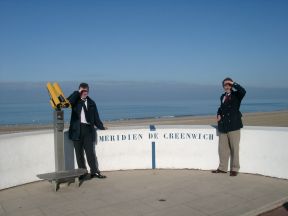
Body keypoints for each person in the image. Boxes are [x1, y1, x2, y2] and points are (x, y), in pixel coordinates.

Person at [68, 83, 107, 179]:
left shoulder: (91, 102)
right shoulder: (75, 101)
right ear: (79, 91)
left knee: (90, 153)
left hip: (88, 130)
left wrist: (101, 127)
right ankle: (82, 173)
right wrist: (77, 93)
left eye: (86, 91)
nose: (85, 93)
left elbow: (96, 118)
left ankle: (94, 172)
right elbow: (68, 101)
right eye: (83, 91)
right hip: (76, 129)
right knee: (79, 154)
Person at [212, 78, 246, 177]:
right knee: (222, 149)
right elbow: (221, 108)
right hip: (223, 126)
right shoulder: (222, 96)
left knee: (234, 149)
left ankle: (235, 169)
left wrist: (234, 83)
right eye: (225, 85)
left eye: (228, 85)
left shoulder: (237, 95)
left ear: (231, 85)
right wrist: (218, 114)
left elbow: (243, 91)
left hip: (234, 126)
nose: (227, 87)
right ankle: (222, 168)